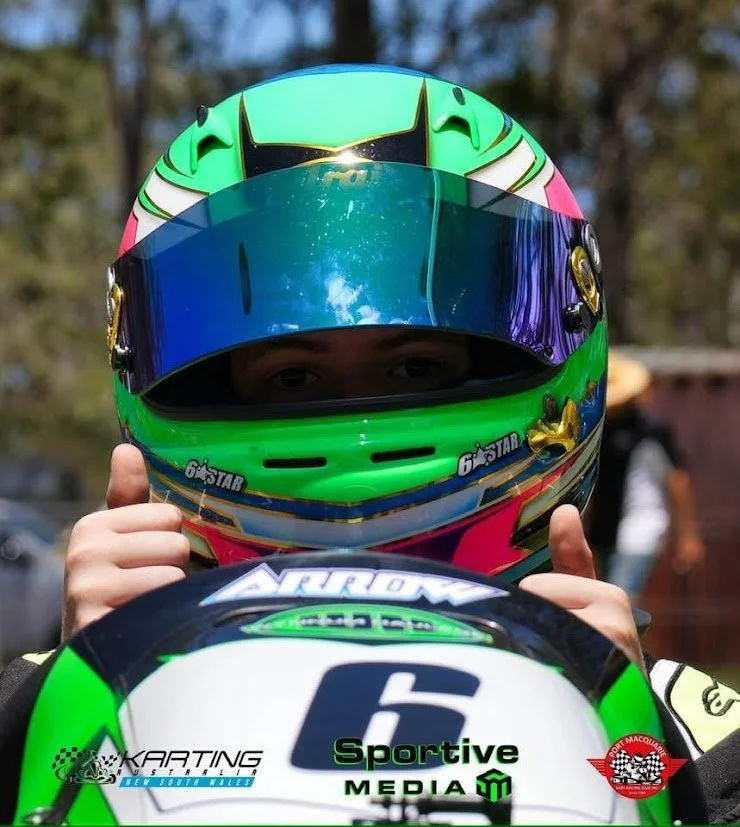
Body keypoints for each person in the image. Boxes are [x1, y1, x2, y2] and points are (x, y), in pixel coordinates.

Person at [0, 64, 737, 820]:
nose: (355, 427)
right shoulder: (29, 709)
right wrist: (73, 701)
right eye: (291, 378)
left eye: (415, 366)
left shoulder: (694, 735)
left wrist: (636, 756)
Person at [587, 351, 706, 601]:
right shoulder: (597, 432)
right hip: (605, 527)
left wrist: (687, 535)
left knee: (620, 596)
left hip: (640, 527)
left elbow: (677, 481)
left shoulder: (651, 432)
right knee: (609, 593)